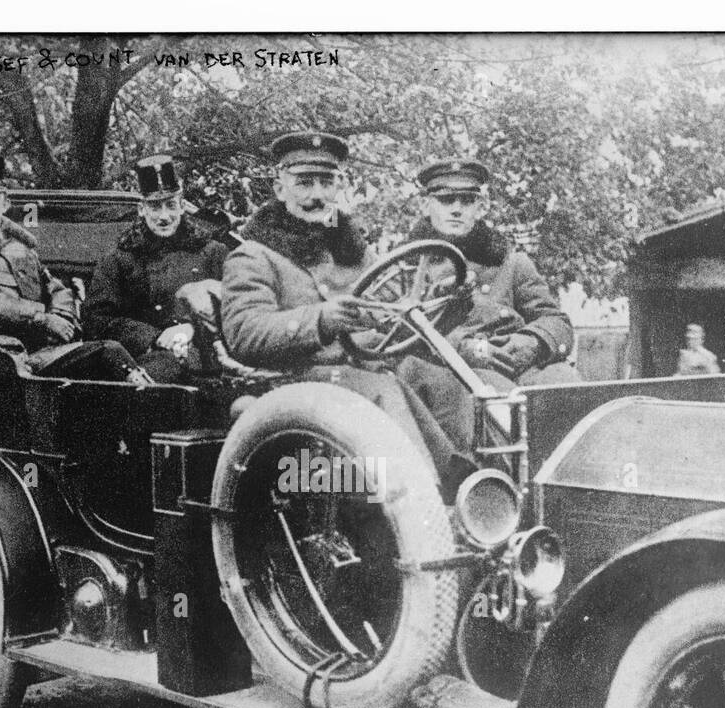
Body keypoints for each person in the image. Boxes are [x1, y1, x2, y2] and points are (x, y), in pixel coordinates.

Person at [222, 131, 476, 495]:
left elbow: (394, 317)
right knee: (380, 388)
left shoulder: (355, 253)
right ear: (280, 189)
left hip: (361, 370)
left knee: (440, 379)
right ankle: (419, 505)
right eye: (304, 183)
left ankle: (465, 489)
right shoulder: (254, 256)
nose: (317, 195)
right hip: (292, 382)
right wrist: (322, 320)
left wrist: (446, 305)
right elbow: (244, 333)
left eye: (327, 182)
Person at [391, 158, 578, 453]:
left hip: (520, 361)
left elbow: (557, 321)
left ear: (481, 208)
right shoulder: (405, 268)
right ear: (426, 206)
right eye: (445, 199)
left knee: (567, 388)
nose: (456, 208)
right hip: (455, 370)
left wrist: (532, 342)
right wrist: (468, 349)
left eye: (467, 200)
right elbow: (398, 336)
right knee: (500, 409)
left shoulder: (511, 263)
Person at [0, 154, 145, 381]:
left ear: (5, 204)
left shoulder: (20, 249)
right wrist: (40, 318)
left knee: (112, 357)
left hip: (39, 354)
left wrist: (62, 319)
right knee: (107, 355)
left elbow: (56, 289)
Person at [84, 155, 232, 381]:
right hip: (150, 369)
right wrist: (153, 338)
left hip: (212, 366)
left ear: (182, 206)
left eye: (171, 205)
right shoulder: (119, 259)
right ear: (141, 209)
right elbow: (97, 322)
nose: (164, 216)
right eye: (154, 206)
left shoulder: (213, 253)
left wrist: (191, 329)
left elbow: (238, 313)